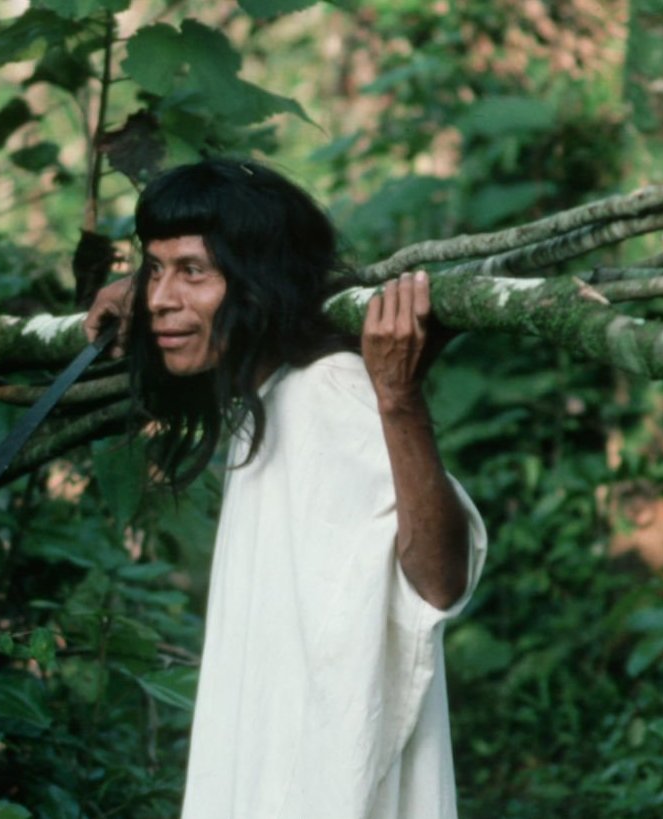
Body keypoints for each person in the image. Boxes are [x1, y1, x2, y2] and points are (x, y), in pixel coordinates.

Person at [83, 158, 486, 819]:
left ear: (255, 284)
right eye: (155, 268)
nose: (160, 297)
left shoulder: (332, 390)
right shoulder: (265, 390)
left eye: (192, 270)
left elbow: (438, 581)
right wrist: (165, 285)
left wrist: (399, 398)